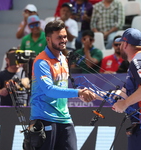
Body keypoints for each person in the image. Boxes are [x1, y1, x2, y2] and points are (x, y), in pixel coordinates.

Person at [29, 20, 96, 150]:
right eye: (59, 37)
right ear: (48, 39)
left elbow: (62, 88)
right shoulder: (41, 62)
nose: (64, 40)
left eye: (65, 36)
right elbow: (49, 90)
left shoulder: (63, 59)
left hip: (64, 118)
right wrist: (78, 92)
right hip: (44, 117)